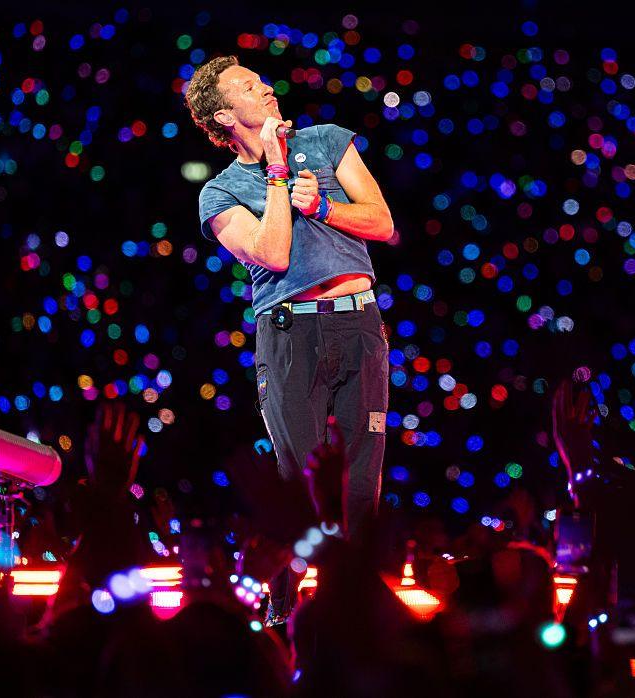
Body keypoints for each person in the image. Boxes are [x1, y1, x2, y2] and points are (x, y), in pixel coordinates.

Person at [185, 54, 394, 627]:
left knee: (360, 478)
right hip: (289, 333)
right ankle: (282, 611)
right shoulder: (220, 194)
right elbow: (273, 254)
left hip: (358, 323)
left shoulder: (327, 142)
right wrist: (277, 175)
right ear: (227, 116)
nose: (268, 88)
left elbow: (383, 222)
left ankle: (356, 612)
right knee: (296, 480)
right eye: (251, 87)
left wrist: (325, 206)